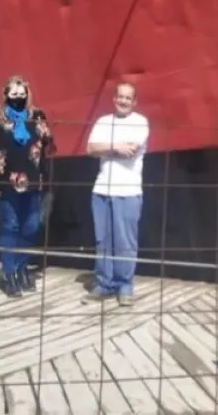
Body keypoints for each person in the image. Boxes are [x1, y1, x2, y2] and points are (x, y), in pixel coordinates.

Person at [0, 75, 55, 298]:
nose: (19, 98)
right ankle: (9, 273)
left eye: (22, 94)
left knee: (32, 226)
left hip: (34, 181)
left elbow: (48, 146)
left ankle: (21, 266)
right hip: (6, 182)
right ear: (5, 95)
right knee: (10, 225)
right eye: (14, 94)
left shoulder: (37, 116)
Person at [82, 82, 149, 307]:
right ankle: (104, 283)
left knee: (125, 241)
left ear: (134, 101)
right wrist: (115, 146)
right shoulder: (103, 121)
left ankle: (124, 285)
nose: (123, 101)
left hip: (128, 191)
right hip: (101, 189)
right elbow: (90, 149)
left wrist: (106, 147)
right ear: (114, 99)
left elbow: (130, 152)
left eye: (128, 98)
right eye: (120, 96)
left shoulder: (140, 122)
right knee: (103, 240)